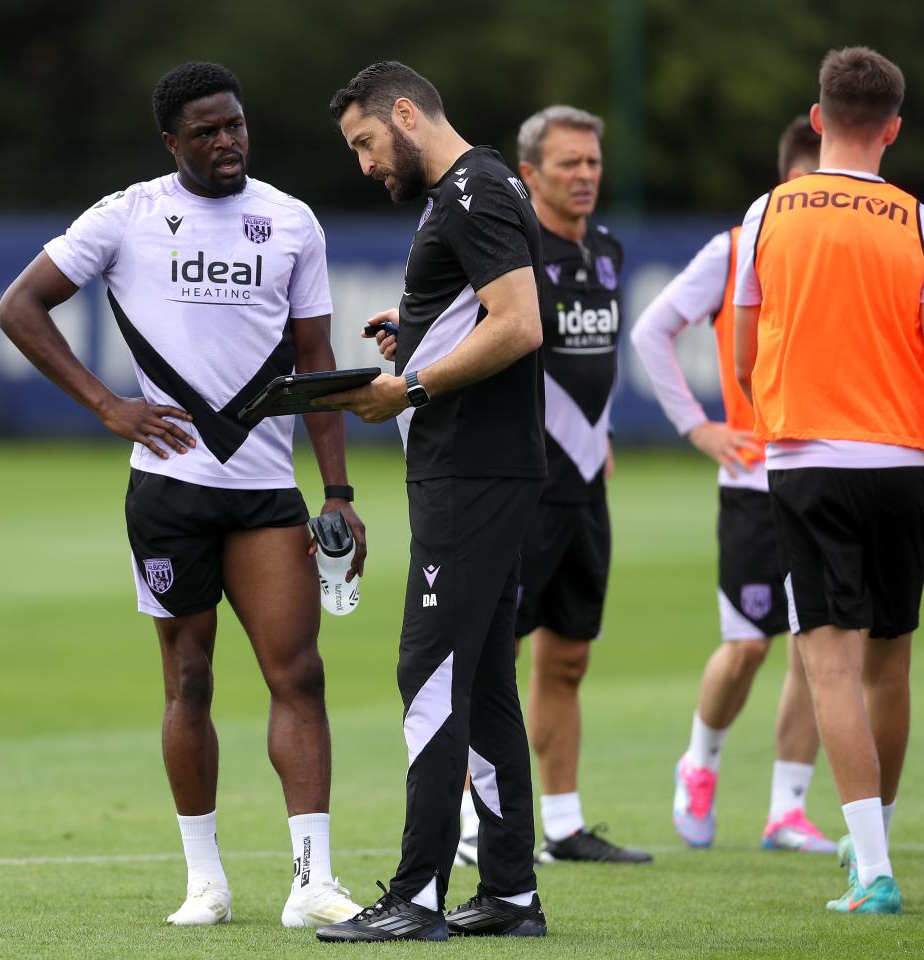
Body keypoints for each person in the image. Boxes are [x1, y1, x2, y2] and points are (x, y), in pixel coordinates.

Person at [0, 61, 366, 929]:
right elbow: (21, 306)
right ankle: (206, 882)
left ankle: (311, 881)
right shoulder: (125, 216)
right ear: (173, 143)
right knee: (188, 680)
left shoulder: (291, 222)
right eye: (206, 131)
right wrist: (106, 404)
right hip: (168, 494)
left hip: (266, 492)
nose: (227, 141)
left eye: (235, 124)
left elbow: (318, 363)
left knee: (299, 674)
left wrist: (339, 490)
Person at [314, 60, 548, 943]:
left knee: (429, 674)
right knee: (483, 681)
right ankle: (512, 891)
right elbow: (484, 313)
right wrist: (408, 334)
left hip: (474, 473)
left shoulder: (471, 192)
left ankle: (416, 895)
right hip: (476, 468)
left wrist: (407, 385)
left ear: (406, 114)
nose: (365, 162)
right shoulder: (469, 191)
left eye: (366, 141)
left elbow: (520, 322)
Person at [734, 47, 924, 915]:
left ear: (816, 121)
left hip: (808, 461)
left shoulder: (768, 212)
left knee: (831, 670)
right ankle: (867, 838)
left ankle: (875, 870)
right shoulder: (916, 220)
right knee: (891, 665)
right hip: (901, 461)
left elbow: (740, 354)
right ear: (892, 127)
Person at [631, 117, 839, 854]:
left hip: (825, 472)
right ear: (787, 186)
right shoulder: (735, 249)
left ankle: (787, 807)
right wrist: (698, 427)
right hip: (754, 483)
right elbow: (651, 329)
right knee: (748, 646)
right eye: (816, 189)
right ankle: (701, 762)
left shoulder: (848, 257)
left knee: (819, 647)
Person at [505, 106, 650, 864]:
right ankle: (477, 830)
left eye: (592, 162)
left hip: (587, 485)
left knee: (567, 658)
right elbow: (461, 320)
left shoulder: (608, 249)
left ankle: (560, 825)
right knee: (492, 658)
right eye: (569, 163)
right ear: (530, 173)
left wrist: (604, 438)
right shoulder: (509, 250)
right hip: (523, 484)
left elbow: (595, 363)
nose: (585, 175)